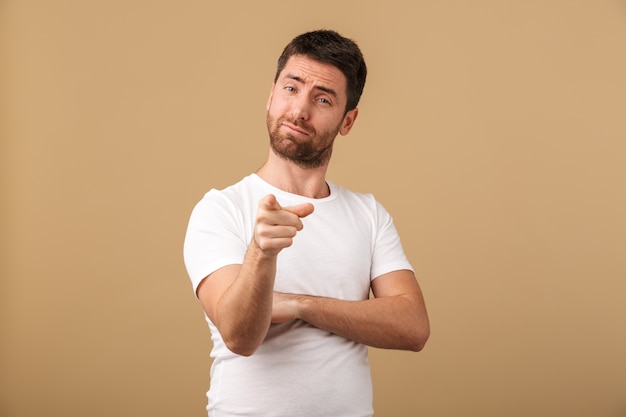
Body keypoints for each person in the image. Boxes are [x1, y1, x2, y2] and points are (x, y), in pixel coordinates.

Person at [183, 29, 430, 417]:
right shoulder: (221, 209)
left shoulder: (368, 213)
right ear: (271, 95)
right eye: (291, 88)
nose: (300, 110)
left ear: (347, 121)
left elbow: (412, 327)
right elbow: (239, 335)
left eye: (323, 99)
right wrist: (261, 253)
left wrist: (298, 304)